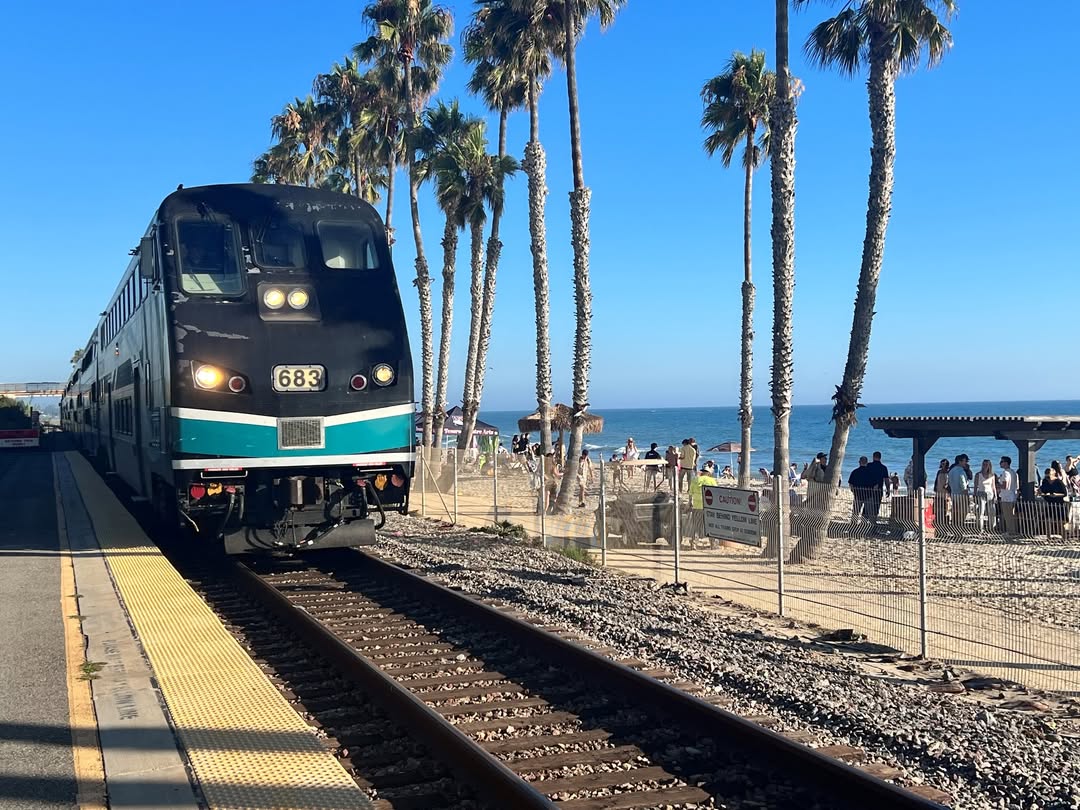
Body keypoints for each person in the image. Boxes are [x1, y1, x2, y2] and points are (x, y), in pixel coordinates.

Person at [688, 464, 718, 544]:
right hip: (708, 506)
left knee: (696, 525)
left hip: (697, 506)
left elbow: (690, 493)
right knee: (710, 525)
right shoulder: (712, 481)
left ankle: (694, 542)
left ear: (702, 472)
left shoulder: (695, 480)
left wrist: (690, 502)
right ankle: (712, 542)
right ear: (708, 473)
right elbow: (716, 493)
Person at [1039, 466, 1068, 537]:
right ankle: (1048, 537)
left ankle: (1064, 537)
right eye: (1046, 476)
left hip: (1059, 504)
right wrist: (1041, 493)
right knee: (1047, 520)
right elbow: (1042, 490)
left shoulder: (1059, 482)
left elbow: (1065, 493)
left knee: (1061, 522)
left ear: (1053, 474)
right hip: (1049, 503)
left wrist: (1056, 495)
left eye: (1049, 476)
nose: (1048, 478)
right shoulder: (1045, 481)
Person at [973, 459, 998, 533]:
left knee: (992, 512)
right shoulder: (978, 474)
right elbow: (975, 486)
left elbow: (993, 486)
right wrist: (974, 494)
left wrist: (995, 495)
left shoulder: (992, 475)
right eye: (983, 464)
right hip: (981, 493)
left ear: (989, 466)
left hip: (990, 494)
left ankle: (991, 528)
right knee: (981, 512)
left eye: (986, 465)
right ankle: (980, 528)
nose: (985, 466)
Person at [948, 455, 970, 536]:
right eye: (965, 461)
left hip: (953, 494)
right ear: (960, 461)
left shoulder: (951, 471)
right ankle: (959, 530)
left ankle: (955, 529)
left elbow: (949, 483)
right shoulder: (961, 472)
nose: (966, 463)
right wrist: (967, 497)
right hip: (961, 495)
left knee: (955, 512)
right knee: (962, 513)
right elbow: (963, 486)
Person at [865, 451, 890, 520]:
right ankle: (873, 520)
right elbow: (886, 480)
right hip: (879, 489)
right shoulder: (883, 468)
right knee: (876, 505)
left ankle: (865, 520)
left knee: (867, 505)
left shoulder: (868, 465)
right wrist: (888, 490)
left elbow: (864, 476)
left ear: (873, 457)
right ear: (880, 458)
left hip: (868, 488)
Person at [997, 456, 1018, 536]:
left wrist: (997, 485)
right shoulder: (1013, 472)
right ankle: (1012, 531)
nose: (1000, 463)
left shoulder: (1005, 473)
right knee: (1011, 515)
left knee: (1007, 516)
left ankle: (1010, 532)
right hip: (1012, 496)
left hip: (1006, 497)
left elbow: (1005, 486)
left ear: (1006, 463)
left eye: (1001, 462)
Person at [933, 458, 951, 538]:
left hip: (945, 493)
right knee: (937, 511)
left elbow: (949, 481)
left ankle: (944, 529)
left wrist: (947, 487)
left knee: (945, 511)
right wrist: (935, 488)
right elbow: (936, 480)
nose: (943, 465)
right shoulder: (939, 472)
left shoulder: (948, 472)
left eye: (944, 464)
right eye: (942, 463)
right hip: (939, 492)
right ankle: (938, 529)